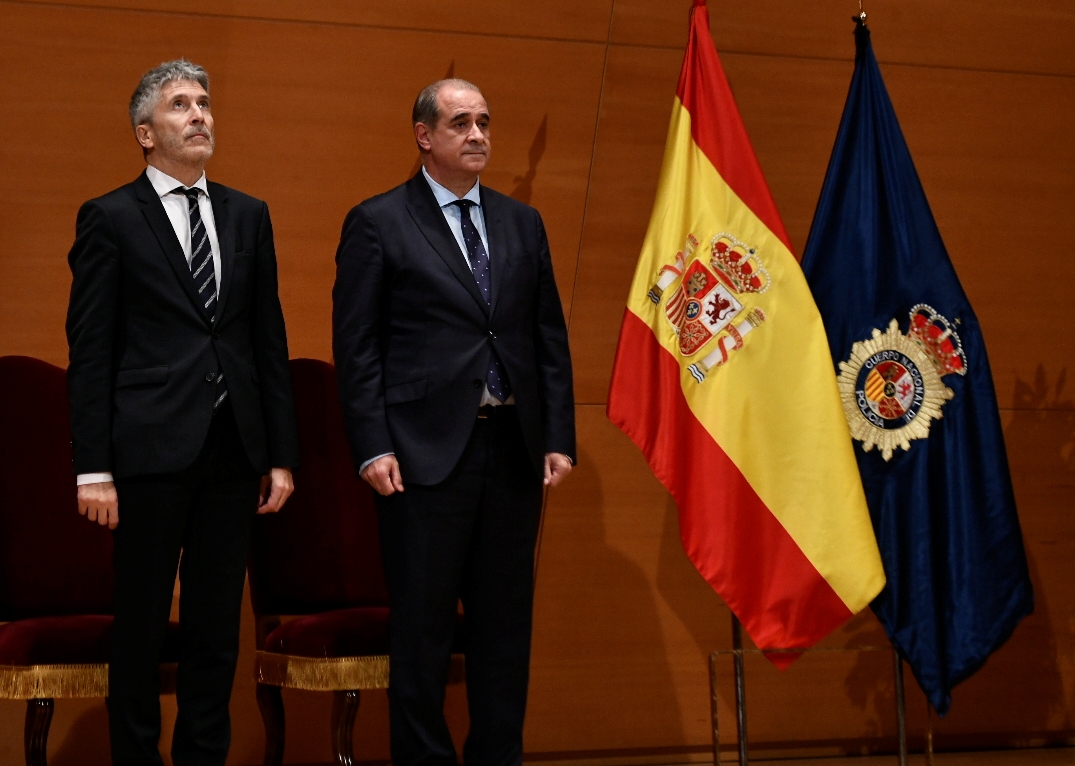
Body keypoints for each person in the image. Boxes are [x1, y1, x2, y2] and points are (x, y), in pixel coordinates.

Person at [332, 78, 576, 766]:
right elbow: (357, 348)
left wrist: (557, 434)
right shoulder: (378, 221)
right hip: (420, 457)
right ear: (424, 136)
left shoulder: (521, 223)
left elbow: (544, 336)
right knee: (424, 634)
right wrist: (371, 445)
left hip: (512, 450)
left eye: (484, 123)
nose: (477, 135)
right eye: (460, 123)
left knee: (504, 633)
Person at [66, 59, 299, 766]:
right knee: (138, 625)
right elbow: (92, 351)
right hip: (145, 454)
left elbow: (267, 341)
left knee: (214, 629)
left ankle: (204, 757)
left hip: (233, 450)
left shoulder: (248, 214)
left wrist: (280, 454)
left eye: (203, 102)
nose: (199, 114)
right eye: (179, 105)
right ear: (145, 133)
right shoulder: (109, 217)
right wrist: (92, 469)